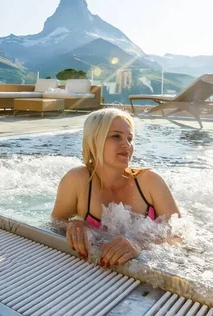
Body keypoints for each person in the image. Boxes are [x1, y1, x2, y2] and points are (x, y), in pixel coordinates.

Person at [51, 108, 180, 268]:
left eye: (130, 139)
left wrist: (140, 243)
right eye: (116, 136)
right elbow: (55, 223)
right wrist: (73, 224)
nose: (127, 145)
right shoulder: (77, 180)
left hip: (148, 267)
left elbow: (180, 234)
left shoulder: (149, 181)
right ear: (94, 140)